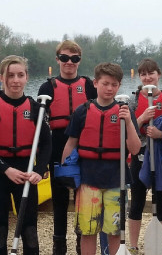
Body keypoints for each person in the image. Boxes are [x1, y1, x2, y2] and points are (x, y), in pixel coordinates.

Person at [61, 63, 141, 255]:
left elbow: (135, 149)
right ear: (96, 83)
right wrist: (65, 172)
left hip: (116, 180)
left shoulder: (125, 112)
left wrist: (129, 122)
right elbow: (71, 144)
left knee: (114, 232)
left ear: (119, 85)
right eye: (105, 83)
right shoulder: (82, 111)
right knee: (88, 232)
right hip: (88, 180)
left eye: (114, 84)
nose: (109, 88)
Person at [37, 39, 97, 255]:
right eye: (64, 58)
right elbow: (39, 128)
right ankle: (59, 246)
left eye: (74, 58)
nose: (69, 62)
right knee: (60, 199)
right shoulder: (47, 88)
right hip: (57, 145)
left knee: (83, 199)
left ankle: (83, 244)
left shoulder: (89, 85)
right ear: (57, 59)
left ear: (79, 61)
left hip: (84, 147)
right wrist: (40, 160)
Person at [0, 55, 52, 254]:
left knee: (29, 228)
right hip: (1, 169)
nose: (15, 80)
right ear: (2, 77)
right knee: (1, 228)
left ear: (26, 77)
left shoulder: (36, 109)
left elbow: (46, 144)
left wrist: (40, 170)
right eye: (10, 75)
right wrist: (5, 169)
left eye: (20, 75)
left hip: (27, 170)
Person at [127, 58, 162, 254]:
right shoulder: (132, 101)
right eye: (143, 74)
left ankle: (161, 242)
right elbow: (126, 129)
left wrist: (161, 134)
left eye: (151, 73)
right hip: (139, 155)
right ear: (139, 76)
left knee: (160, 200)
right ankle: (133, 244)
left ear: (158, 74)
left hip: (161, 157)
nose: (147, 77)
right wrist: (142, 118)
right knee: (136, 200)